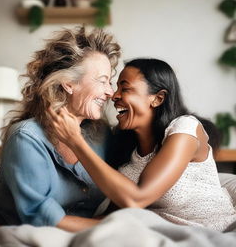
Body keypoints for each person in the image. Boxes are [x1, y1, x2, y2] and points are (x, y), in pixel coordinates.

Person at [49, 58, 236, 232]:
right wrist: (50, 220)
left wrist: (75, 141)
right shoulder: (127, 156)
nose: (114, 96)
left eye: (125, 88)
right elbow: (111, 220)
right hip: (162, 237)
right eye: (116, 88)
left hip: (218, 232)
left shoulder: (185, 128)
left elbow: (137, 198)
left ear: (158, 98)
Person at [0, 26, 120, 232]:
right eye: (102, 81)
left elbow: (124, 188)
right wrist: (109, 227)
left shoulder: (101, 135)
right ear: (69, 83)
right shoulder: (26, 138)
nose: (110, 92)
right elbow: (39, 217)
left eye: (110, 82)